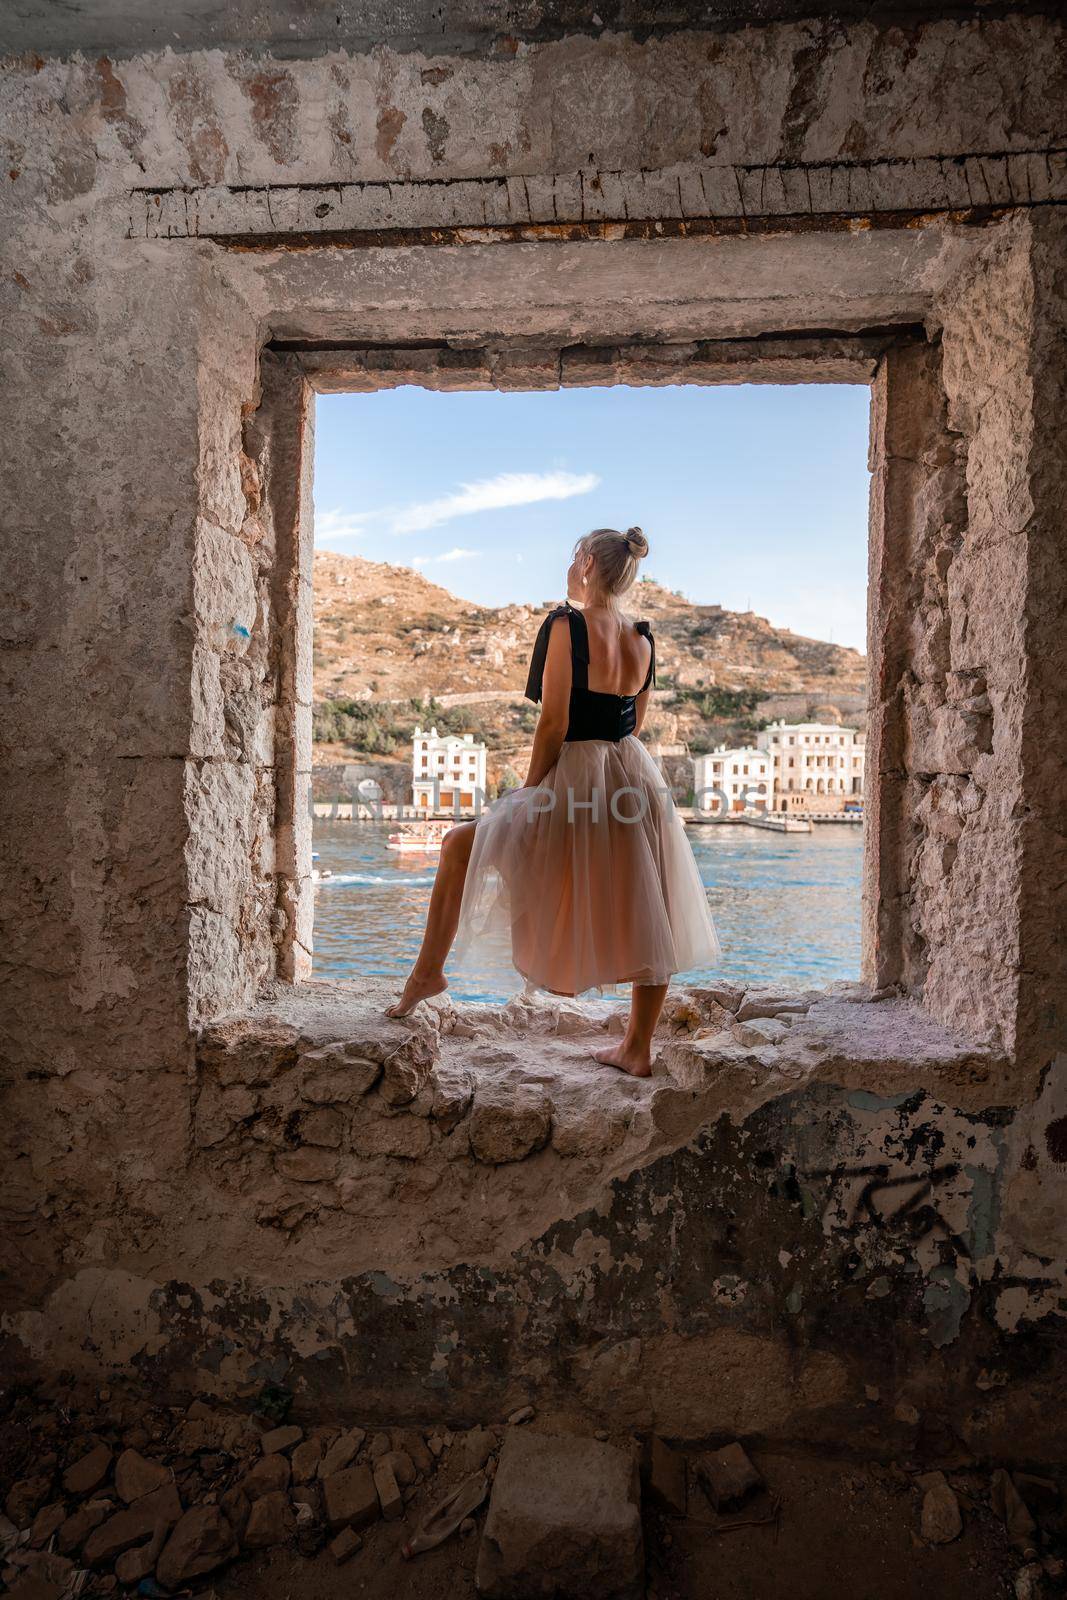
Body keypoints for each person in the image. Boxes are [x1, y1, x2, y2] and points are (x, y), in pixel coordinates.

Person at [386, 527, 721, 1076]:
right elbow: (636, 720)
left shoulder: (566, 624)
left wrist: (532, 787)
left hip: (573, 772)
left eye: (574, 557)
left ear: (585, 563)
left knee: (456, 846)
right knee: (649, 900)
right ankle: (637, 1048)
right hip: (632, 774)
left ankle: (427, 973)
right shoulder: (644, 636)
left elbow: (554, 721)